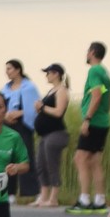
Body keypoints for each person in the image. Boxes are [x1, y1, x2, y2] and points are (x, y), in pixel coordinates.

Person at [74, 41, 110, 210]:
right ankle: (99, 199)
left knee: (80, 158)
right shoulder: (104, 73)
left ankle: (84, 199)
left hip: (94, 121)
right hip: (103, 121)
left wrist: (88, 118)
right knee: (94, 160)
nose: (86, 54)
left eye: (88, 51)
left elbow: (96, 95)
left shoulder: (94, 71)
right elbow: (108, 101)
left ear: (92, 52)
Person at [1, 58, 41, 199]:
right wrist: (5, 116)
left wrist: (20, 113)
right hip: (8, 125)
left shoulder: (29, 87)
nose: (7, 72)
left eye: (9, 69)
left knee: (26, 156)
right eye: (6, 69)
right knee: (8, 156)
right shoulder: (5, 89)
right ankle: (9, 192)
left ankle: (32, 191)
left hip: (23, 124)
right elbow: (0, 106)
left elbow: (35, 107)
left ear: (18, 70)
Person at [33, 64, 72, 206]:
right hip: (45, 135)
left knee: (51, 165)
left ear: (56, 74)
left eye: (48, 73)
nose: (46, 76)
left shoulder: (62, 91)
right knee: (41, 165)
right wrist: (40, 109)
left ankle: (53, 198)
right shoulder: (51, 91)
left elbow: (59, 112)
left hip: (56, 133)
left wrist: (42, 107)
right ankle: (43, 196)